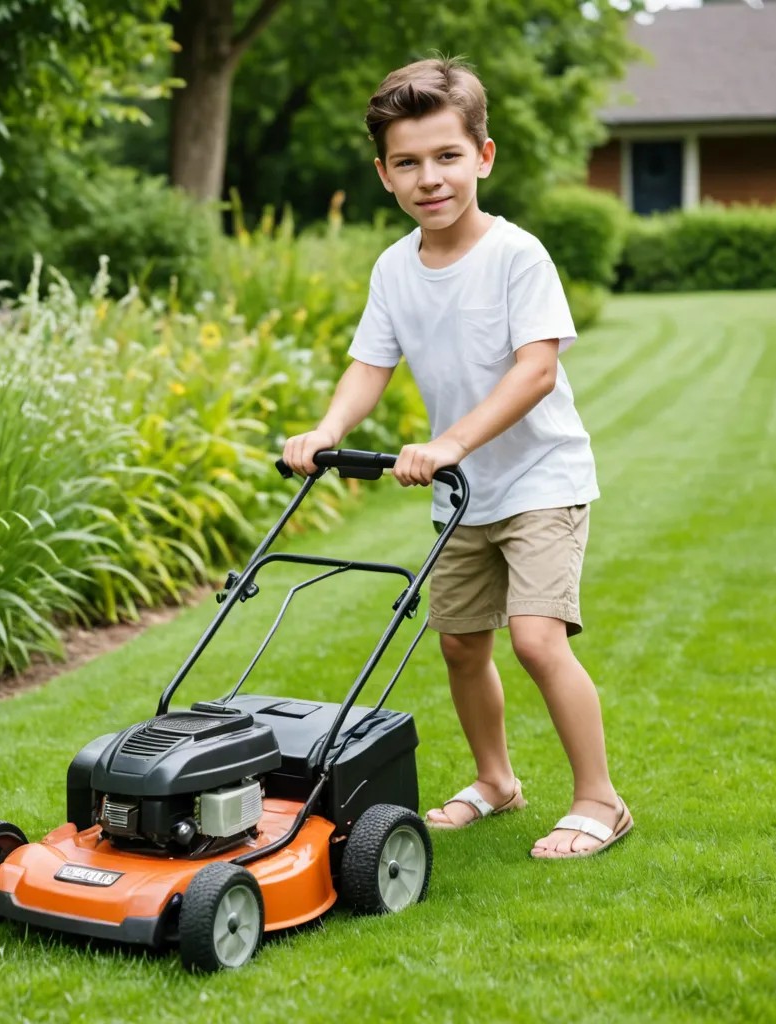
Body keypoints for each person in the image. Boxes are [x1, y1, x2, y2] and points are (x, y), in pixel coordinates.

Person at [281, 56, 632, 859]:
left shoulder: (516, 256)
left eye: (446, 156)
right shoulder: (394, 268)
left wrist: (449, 443)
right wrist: (327, 427)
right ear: (384, 174)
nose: (429, 178)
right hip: (464, 490)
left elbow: (536, 371)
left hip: (541, 479)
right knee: (461, 644)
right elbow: (370, 364)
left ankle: (599, 800)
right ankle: (497, 781)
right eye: (407, 163)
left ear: (483, 156)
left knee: (536, 639)